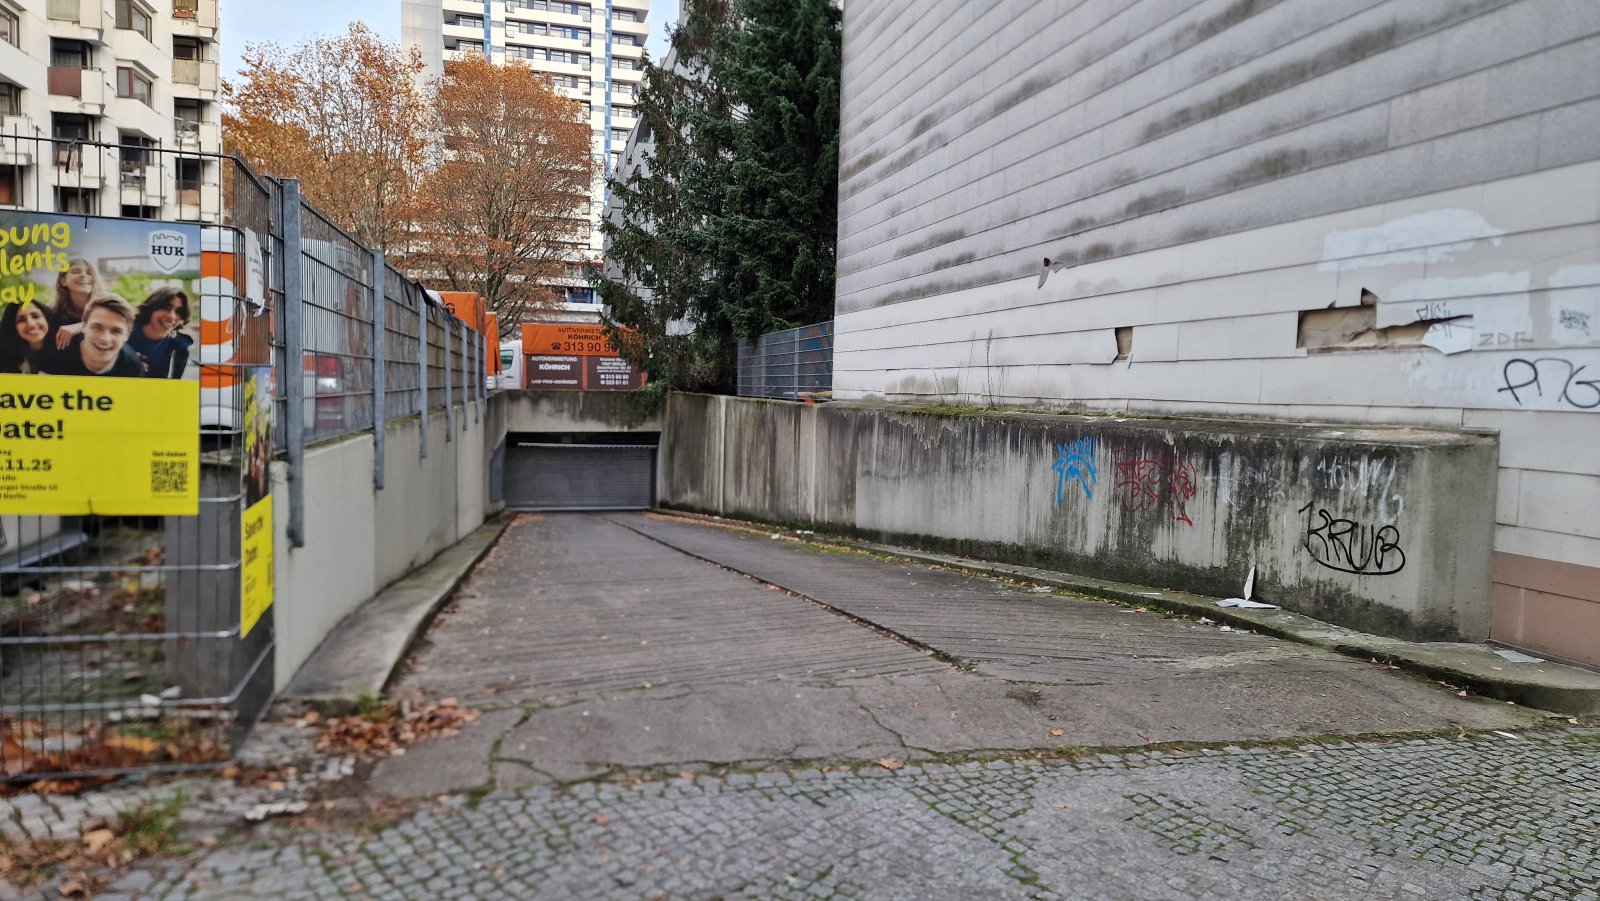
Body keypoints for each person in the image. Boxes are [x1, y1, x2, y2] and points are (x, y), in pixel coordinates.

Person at [41, 296, 144, 378]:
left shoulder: (132, 368)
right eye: (97, 327)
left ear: (127, 335)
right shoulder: (56, 355)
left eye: (116, 331)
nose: (105, 339)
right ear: (84, 327)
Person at [127, 288, 195, 379]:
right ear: (151, 308)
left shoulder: (178, 348)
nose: (172, 316)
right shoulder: (123, 336)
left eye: (178, 312)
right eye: (166, 308)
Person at [0, 301, 61, 374]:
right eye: (21, 320)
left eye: (35, 316)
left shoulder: (66, 350)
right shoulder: (6, 355)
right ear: (13, 327)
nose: (31, 324)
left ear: (47, 318)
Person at [51, 258, 106, 327]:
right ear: (63, 281)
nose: (83, 275)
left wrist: (79, 327)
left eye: (89, 273)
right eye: (76, 272)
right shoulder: (53, 312)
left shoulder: (107, 305)